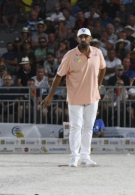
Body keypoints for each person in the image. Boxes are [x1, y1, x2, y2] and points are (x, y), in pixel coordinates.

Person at [42, 28, 105, 167]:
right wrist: (50, 95)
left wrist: (99, 85)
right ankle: (74, 157)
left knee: (88, 127)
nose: (83, 39)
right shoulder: (70, 55)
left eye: (85, 37)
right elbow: (59, 76)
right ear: (77, 39)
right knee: (76, 126)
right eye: (80, 37)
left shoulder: (97, 53)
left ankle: (85, 157)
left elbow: (103, 68)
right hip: (75, 97)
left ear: (90, 38)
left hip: (93, 96)